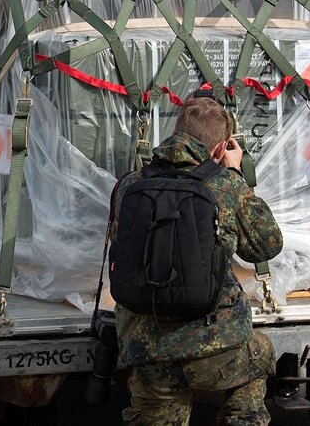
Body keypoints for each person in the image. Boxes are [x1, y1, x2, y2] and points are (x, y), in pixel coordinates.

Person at [115, 97, 284, 426]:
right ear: (221, 148)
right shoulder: (226, 185)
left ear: (175, 132)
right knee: (259, 351)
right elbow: (267, 245)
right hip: (216, 348)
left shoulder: (130, 185)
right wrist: (234, 173)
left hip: (147, 349)